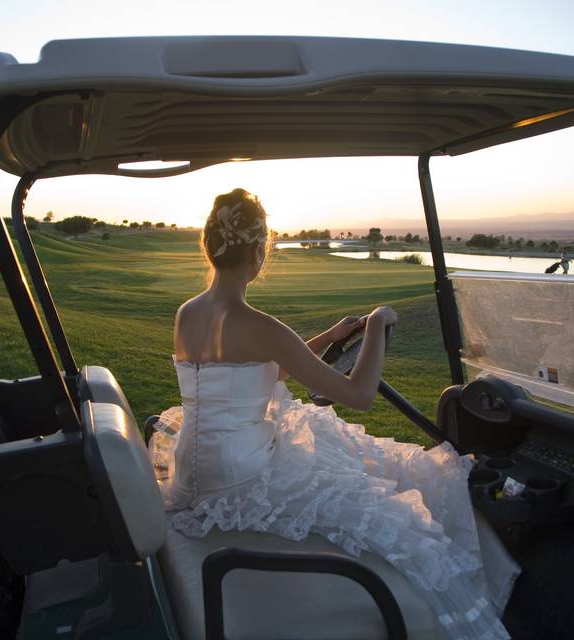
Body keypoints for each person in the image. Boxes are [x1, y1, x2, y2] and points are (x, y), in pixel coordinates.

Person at [149, 188, 519, 639]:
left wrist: (330, 335)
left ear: (210, 246)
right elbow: (358, 394)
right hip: (239, 476)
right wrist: (378, 326)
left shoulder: (188, 314)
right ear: (259, 253)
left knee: (339, 449)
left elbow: (262, 370)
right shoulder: (262, 326)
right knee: (376, 490)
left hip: (192, 468)